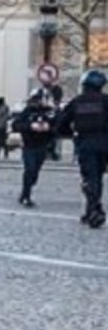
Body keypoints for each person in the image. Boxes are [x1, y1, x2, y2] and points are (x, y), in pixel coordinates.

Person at [55, 69, 108, 228]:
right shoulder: (106, 101)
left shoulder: (77, 102)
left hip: (85, 143)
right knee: (97, 176)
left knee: (89, 177)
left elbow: (60, 124)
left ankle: (94, 208)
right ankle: (90, 209)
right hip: (105, 143)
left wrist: (71, 134)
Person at [13, 89, 56, 208]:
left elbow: (58, 126)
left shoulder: (50, 112)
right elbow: (16, 125)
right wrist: (30, 126)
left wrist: (49, 128)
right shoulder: (27, 111)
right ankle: (26, 195)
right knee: (30, 169)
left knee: (35, 173)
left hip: (42, 145)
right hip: (29, 145)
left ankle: (26, 191)